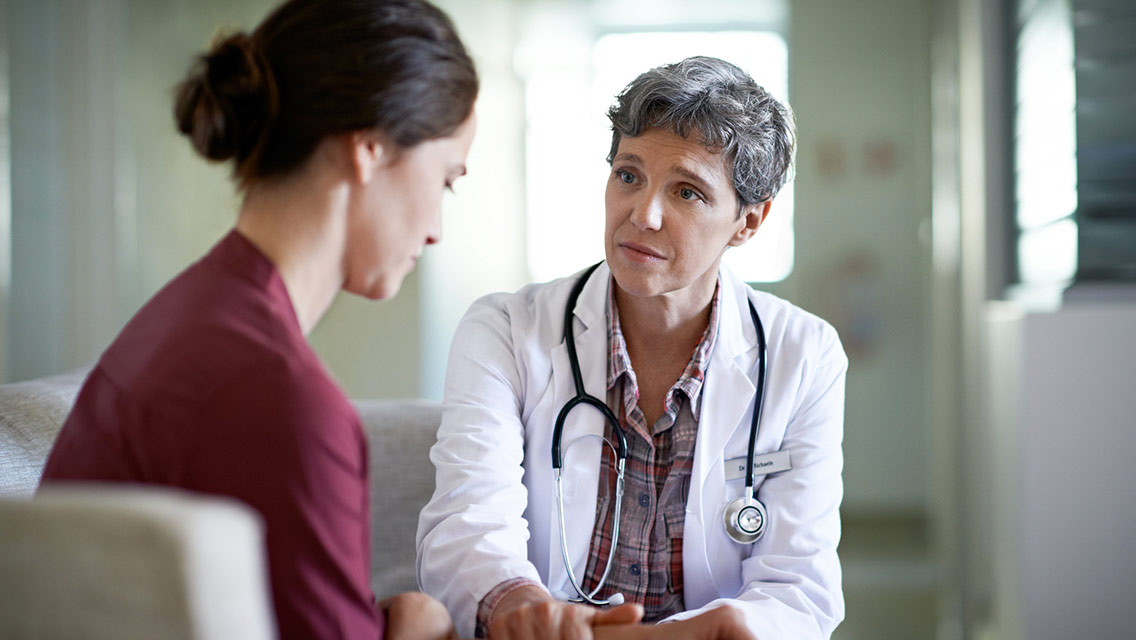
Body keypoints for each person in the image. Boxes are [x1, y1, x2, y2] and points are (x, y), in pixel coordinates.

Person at [39, 0, 477, 638]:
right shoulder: (280, 397)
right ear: (370, 148)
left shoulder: (189, 314)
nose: (437, 230)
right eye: (445, 180)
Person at [416, 56, 846, 639]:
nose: (642, 214)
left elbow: (797, 588)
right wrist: (518, 602)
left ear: (749, 221)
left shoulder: (805, 355)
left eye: (687, 192)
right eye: (628, 175)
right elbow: (467, 528)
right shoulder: (505, 330)